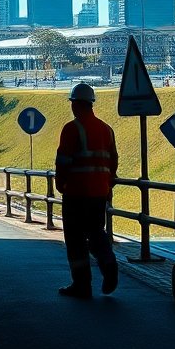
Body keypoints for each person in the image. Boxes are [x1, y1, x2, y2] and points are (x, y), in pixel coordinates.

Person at [53, 82, 120, 298]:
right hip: (99, 192)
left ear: (75, 104)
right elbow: (113, 161)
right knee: (96, 232)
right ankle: (109, 264)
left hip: (76, 193)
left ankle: (82, 285)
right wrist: (107, 184)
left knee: (75, 239)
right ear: (91, 104)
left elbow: (63, 161)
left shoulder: (72, 129)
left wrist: (60, 184)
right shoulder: (106, 129)